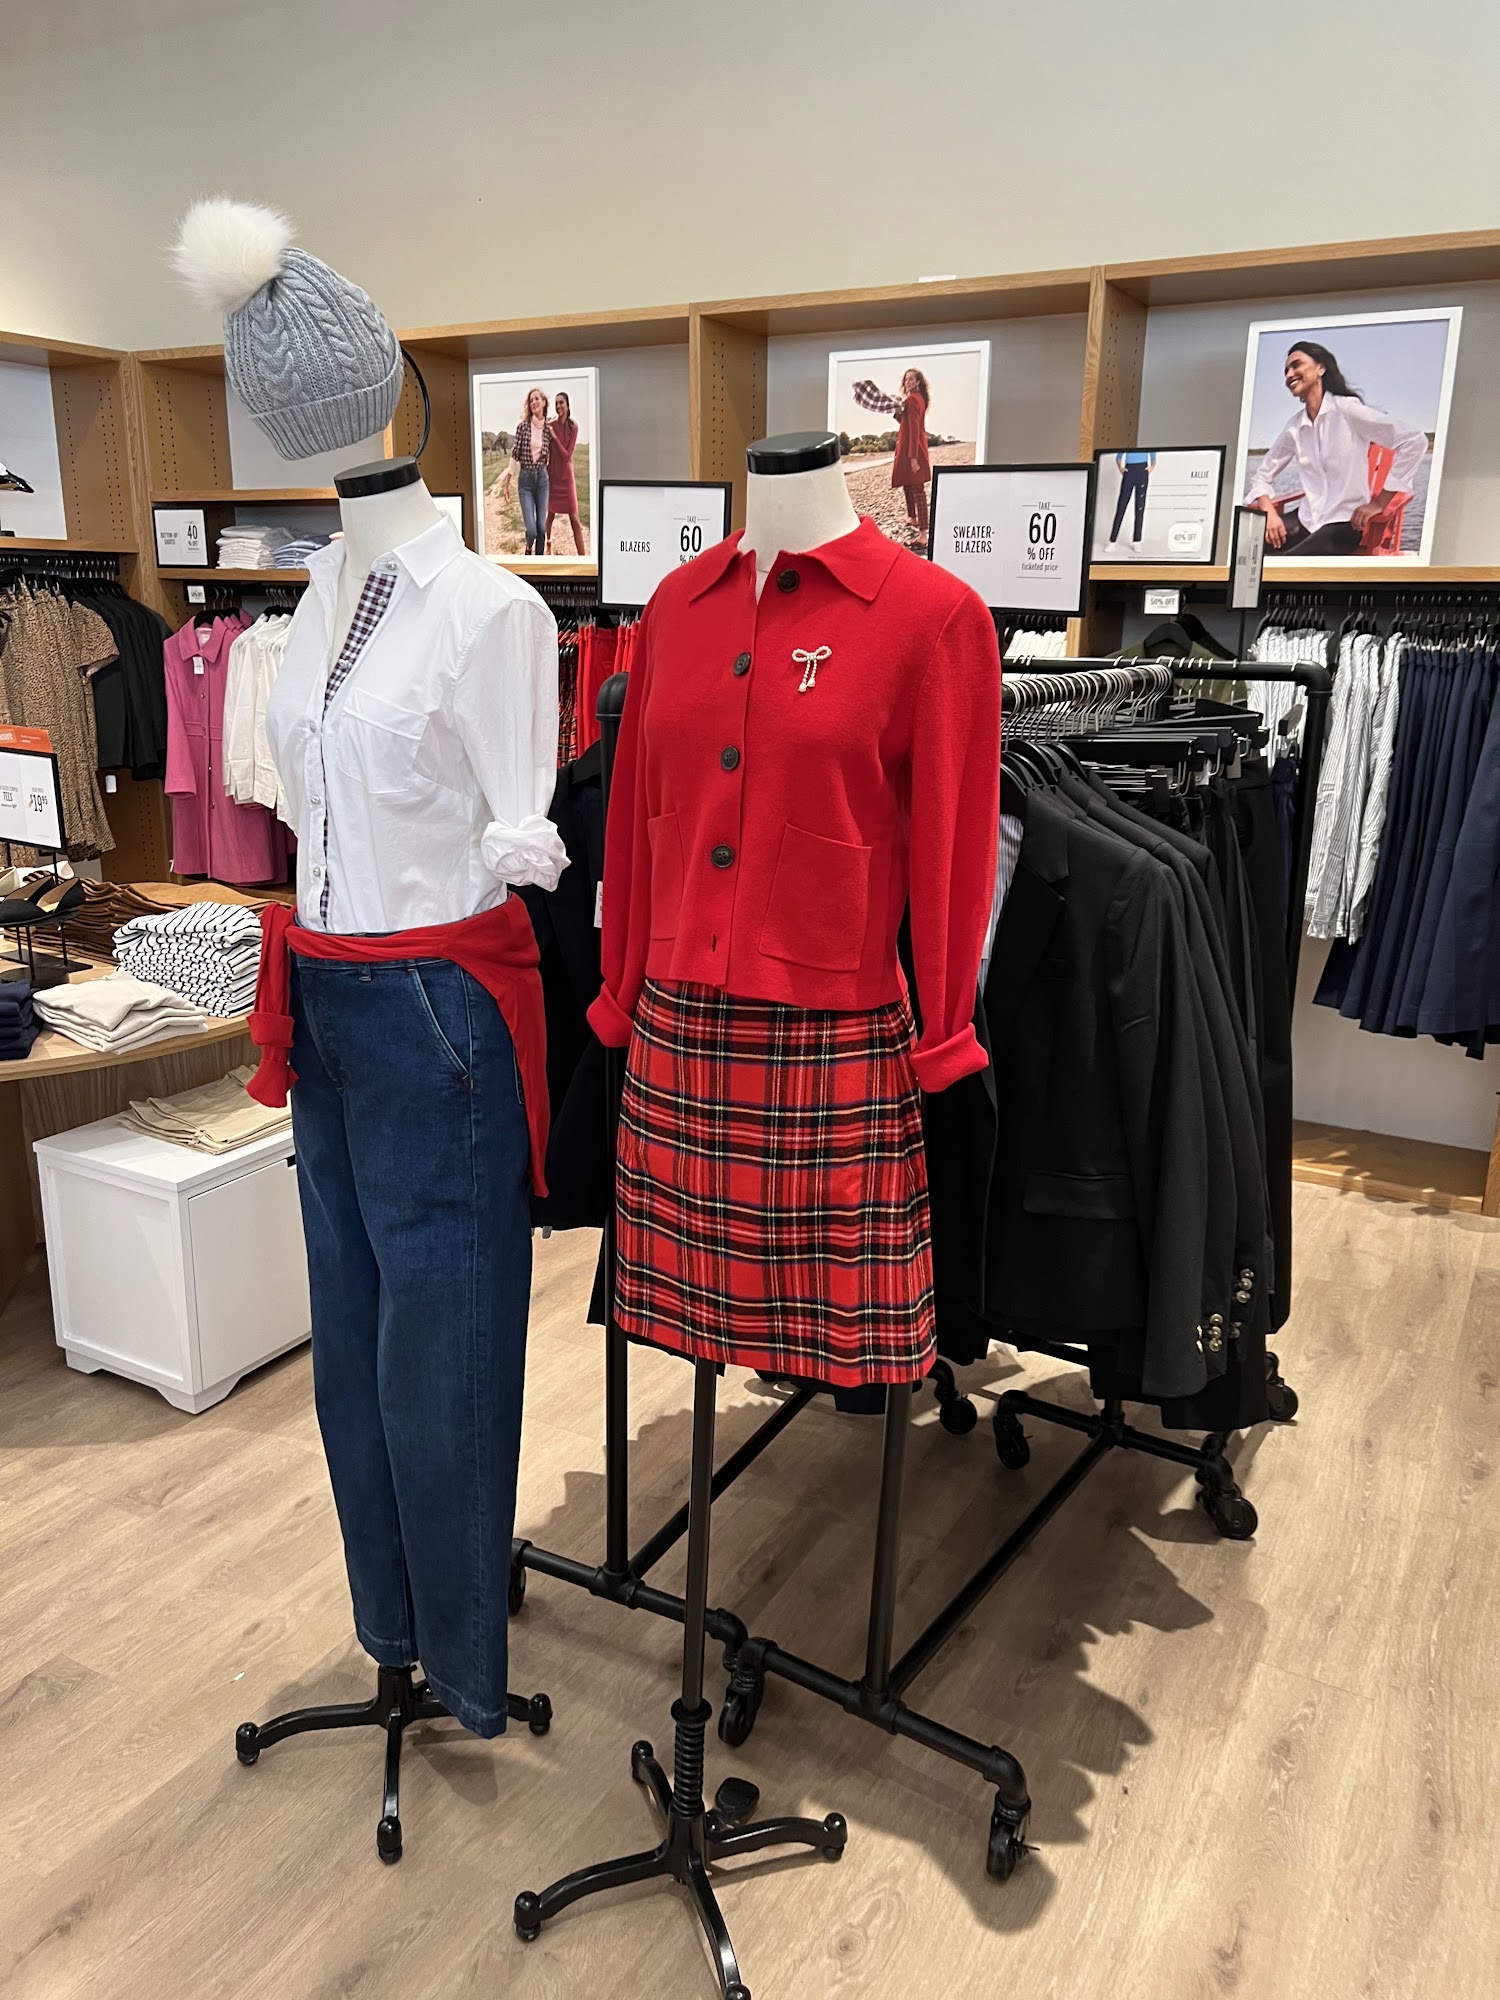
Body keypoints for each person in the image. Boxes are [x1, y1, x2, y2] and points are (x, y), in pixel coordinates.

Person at [1245, 342, 1427, 557]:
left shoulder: (1347, 410)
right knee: (1245, 544)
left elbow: (1414, 441)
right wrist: (1269, 512)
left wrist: (1380, 502)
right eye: (1286, 370)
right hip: (1307, 519)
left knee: (1286, 563)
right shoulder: (1294, 427)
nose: (1289, 374)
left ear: (1320, 368)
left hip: (1344, 524)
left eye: (1296, 365)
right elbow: (1262, 475)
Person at [501, 386, 551, 556]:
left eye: (537, 399)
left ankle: (539, 562)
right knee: (532, 530)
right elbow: (514, 456)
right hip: (526, 482)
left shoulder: (548, 430)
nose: (534, 402)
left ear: (543, 402)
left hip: (542, 479)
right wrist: (507, 484)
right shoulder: (522, 427)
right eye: (531, 400)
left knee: (542, 528)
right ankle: (528, 547)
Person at [891, 367, 932, 543]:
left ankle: (923, 534)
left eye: (911, 379)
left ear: (918, 382)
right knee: (907, 482)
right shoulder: (917, 399)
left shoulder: (913, 400)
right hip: (912, 446)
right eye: (906, 379)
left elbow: (914, 429)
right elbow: (906, 422)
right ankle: (912, 517)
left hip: (913, 447)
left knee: (917, 488)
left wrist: (913, 457)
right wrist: (898, 412)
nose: (907, 382)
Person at [544, 390, 586, 555]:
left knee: (574, 519)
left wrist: (554, 437)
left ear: (568, 405)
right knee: (550, 515)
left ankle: (583, 557)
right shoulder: (550, 425)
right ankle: (548, 543)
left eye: (561, 402)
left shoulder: (573, 427)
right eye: (556, 403)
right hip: (552, 476)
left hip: (566, 478)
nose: (558, 406)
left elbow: (566, 456)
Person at [1107, 449, 1157, 547]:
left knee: (1140, 507)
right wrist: (1121, 468)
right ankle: (1112, 541)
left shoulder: (1147, 444)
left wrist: (1151, 467)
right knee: (1121, 506)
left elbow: (1153, 456)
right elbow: (1118, 457)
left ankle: (1136, 541)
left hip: (1142, 471)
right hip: (1129, 471)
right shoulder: (1127, 443)